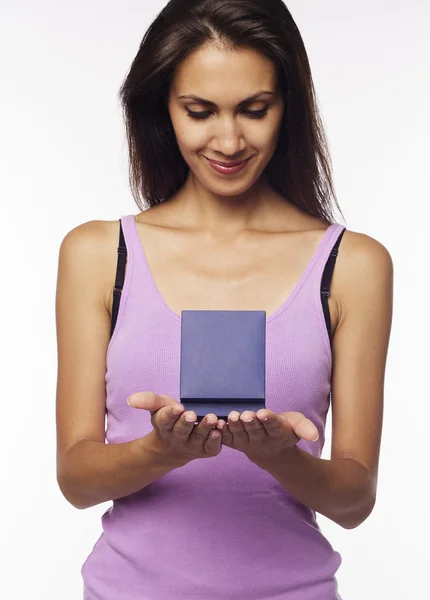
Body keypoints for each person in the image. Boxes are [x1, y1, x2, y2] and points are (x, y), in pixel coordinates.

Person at [55, 1, 393, 598]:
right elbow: (78, 479)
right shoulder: (98, 254)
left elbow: (355, 499)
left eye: (255, 110)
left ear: (288, 107)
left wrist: (280, 456)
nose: (230, 139)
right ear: (163, 107)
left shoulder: (353, 265)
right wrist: (160, 450)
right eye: (200, 111)